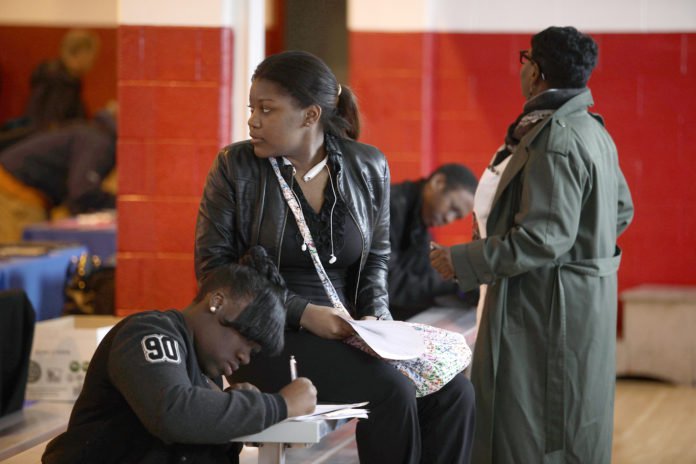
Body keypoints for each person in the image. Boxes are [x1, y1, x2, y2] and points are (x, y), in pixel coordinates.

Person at [195, 50, 475, 464]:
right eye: (252, 109)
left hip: (348, 334)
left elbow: (376, 262)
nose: (252, 120)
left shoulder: (367, 166)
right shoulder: (234, 167)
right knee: (390, 390)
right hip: (260, 338)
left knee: (455, 391)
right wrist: (306, 314)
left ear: (310, 116)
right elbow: (214, 272)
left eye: (267, 110)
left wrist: (377, 325)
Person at [430, 26, 634, 463]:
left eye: (526, 59)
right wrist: (583, 252)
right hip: (565, 302)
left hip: (541, 308)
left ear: (536, 71)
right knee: (563, 426)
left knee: (526, 432)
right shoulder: (590, 129)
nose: (522, 68)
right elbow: (620, 210)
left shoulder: (556, 138)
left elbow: (544, 238)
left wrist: (460, 259)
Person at [42, 247, 318, 464]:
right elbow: (174, 413)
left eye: (254, 351)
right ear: (217, 301)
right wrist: (280, 405)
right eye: (246, 339)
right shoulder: (147, 332)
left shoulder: (205, 372)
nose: (245, 357)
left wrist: (235, 406)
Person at [0, 109, 116, 242]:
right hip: (14, 192)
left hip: (18, 188)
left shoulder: (94, 133)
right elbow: (83, 190)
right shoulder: (100, 142)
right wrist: (119, 204)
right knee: (19, 255)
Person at [389, 163, 477, 320]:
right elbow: (388, 284)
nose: (448, 219)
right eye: (452, 208)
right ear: (438, 183)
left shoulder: (420, 222)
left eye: (456, 217)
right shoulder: (390, 206)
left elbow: (424, 272)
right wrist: (453, 283)